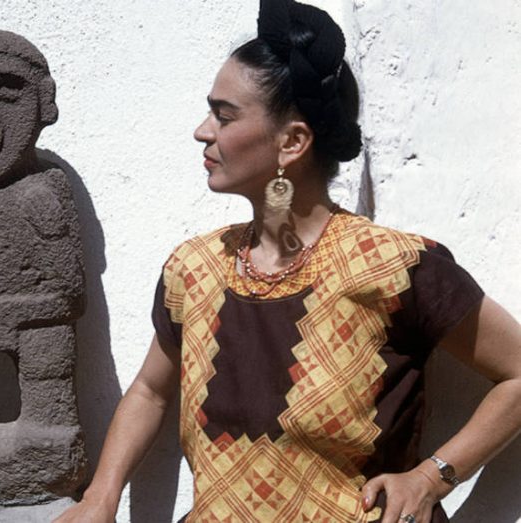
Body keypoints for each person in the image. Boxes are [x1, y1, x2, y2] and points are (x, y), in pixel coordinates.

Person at [55, 1, 521, 521]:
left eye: (223, 114)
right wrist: (101, 496)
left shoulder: (395, 267)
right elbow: (148, 391)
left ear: (293, 141)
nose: (202, 131)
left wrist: (435, 475)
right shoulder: (194, 269)